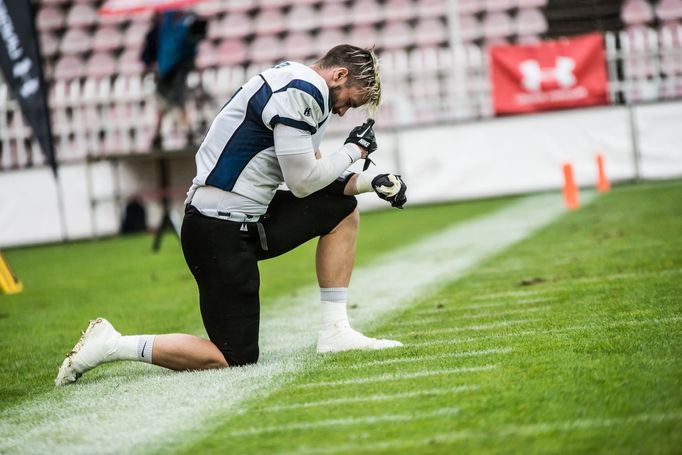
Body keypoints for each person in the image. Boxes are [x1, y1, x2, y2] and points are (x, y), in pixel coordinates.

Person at [55, 45, 408, 385]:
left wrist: (372, 180)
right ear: (339, 74)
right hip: (217, 230)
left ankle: (335, 331)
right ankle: (113, 345)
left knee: (342, 211)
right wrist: (354, 149)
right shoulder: (305, 89)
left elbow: (315, 175)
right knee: (232, 356)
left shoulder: (297, 81)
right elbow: (302, 183)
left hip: (243, 219)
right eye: (349, 100)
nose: (344, 112)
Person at [141, 10, 207, 149]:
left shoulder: (172, 27)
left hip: (173, 70)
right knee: (167, 102)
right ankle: (177, 134)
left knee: (173, 102)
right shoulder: (167, 28)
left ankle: (170, 135)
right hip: (171, 70)